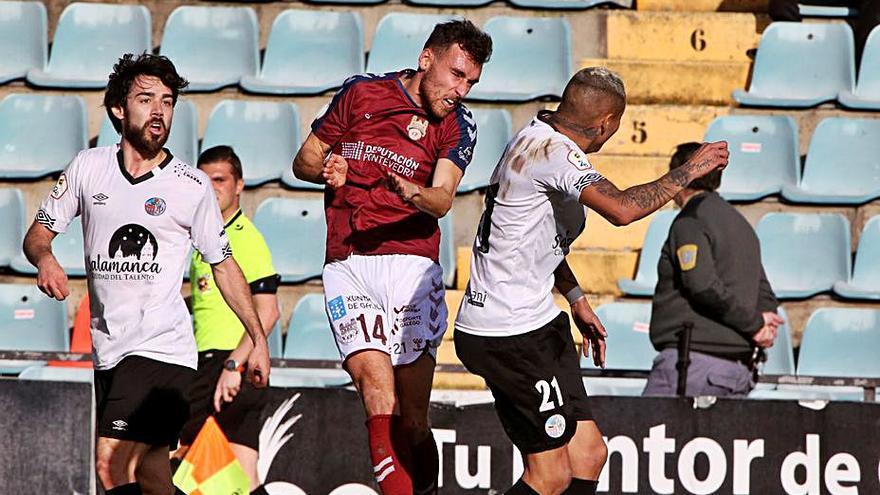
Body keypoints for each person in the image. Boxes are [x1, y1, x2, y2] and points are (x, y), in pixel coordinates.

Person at [454, 67, 730, 495]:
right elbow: (621, 210)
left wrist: (577, 299)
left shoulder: (537, 135)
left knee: (589, 454)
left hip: (538, 321)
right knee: (549, 477)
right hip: (508, 333)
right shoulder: (554, 154)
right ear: (607, 124)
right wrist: (688, 171)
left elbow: (536, 241)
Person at [22, 53, 270, 495]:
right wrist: (45, 259)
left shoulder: (191, 185)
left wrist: (258, 340)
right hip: (109, 349)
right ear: (119, 108)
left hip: (163, 350)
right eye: (146, 99)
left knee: (111, 465)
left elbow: (225, 263)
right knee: (154, 475)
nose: (159, 111)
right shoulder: (88, 167)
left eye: (168, 102)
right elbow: (37, 235)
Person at [291, 19, 492, 495]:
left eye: (471, 82)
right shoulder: (360, 95)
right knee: (377, 399)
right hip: (348, 262)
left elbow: (443, 199)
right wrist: (326, 169)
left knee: (413, 420)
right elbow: (303, 160)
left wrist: (412, 192)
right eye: (457, 74)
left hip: (410, 266)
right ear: (427, 59)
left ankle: (426, 487)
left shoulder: (458, 125)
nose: (461, 90)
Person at [173, 145, 280, 494]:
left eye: (220, 180)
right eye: (204, 181)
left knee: (174, 460)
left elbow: (268, 310)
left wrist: (234, 365)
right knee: (243, 477)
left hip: (224, 365)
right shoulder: (206, 238)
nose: (212, 187)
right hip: (218, 365)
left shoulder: (244, 238)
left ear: (239, 186)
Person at [643, 143, 783, 398]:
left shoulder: (690, 221)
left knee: (645, 434)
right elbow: (763, 291)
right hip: (736, 371)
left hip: (692, 367)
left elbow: (701, 284)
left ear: (681, 175)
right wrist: (765, 325)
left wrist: (754, 325)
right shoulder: (741, 225)